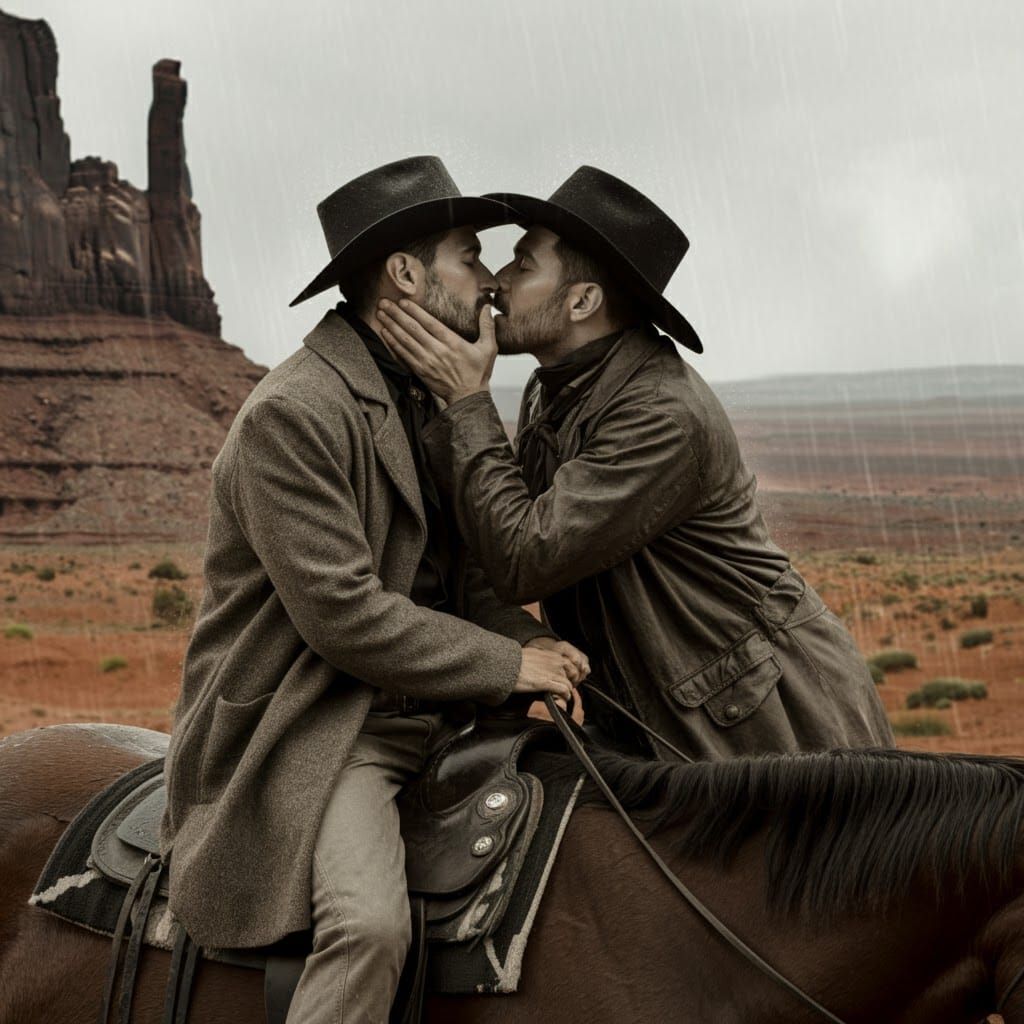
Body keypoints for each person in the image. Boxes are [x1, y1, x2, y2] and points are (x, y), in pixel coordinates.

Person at [158, 156, 586, 1024]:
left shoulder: (434, 396)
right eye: (469, 258)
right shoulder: (295, 413)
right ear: (405, 275)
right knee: (369, 929)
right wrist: (510, 664)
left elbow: (463, 572)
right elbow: (343, 617)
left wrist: (542, 649)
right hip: (318, 715)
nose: (490, 287)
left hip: (425, 701)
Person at [376, 164, 895, 761]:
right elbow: (495, 533)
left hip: (769, 721)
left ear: (582, 301)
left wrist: (467, 403)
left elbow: (523, 559)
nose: (497, 284)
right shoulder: (557, 388)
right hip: (678, 710)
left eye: (524, 264)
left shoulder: (660, 412)